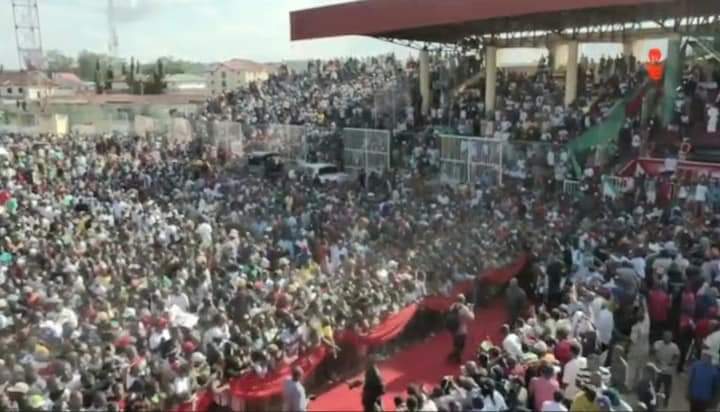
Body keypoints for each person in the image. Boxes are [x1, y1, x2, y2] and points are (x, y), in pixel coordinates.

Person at [650, 330, 679, 407]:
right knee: (656, 387)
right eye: (665, 336)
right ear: (662, 336)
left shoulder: (674, 347)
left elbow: (676, 358)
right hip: (658, 369)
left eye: (669, 337)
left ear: (671, 338)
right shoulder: (658, 343)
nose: (667, 338)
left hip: (668, 371)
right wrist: (654, 354)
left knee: (667, 389)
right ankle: (654, 400)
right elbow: (652, 351)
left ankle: (666, 401)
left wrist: (672, 363)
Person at [447, 294, 475, 363]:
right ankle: (458, 357)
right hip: (462, 330)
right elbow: (471, 318)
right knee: (461, 345)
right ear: (463, 300)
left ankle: (454, 353)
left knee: (456, 342)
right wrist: (471, 309)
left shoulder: (452, 306)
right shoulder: (464, 309)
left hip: (453, 329)